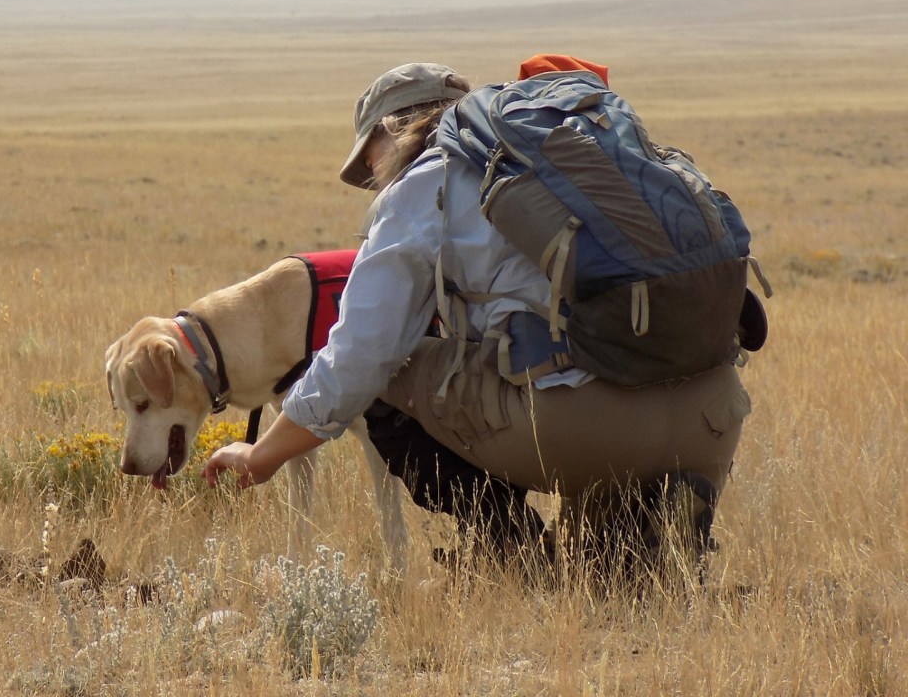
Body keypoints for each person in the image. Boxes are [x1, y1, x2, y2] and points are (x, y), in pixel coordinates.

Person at [203, 61, 752, 577]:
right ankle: (638, 530)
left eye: (368, 159)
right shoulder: (559, 159)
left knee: (391, 373)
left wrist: (262, 456)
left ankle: (511, 550)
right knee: (602, 576)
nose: (373, 177)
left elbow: (359, 357)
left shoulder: (426, 182)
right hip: (712, 418)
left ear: (391, 132)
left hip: (584, 432)